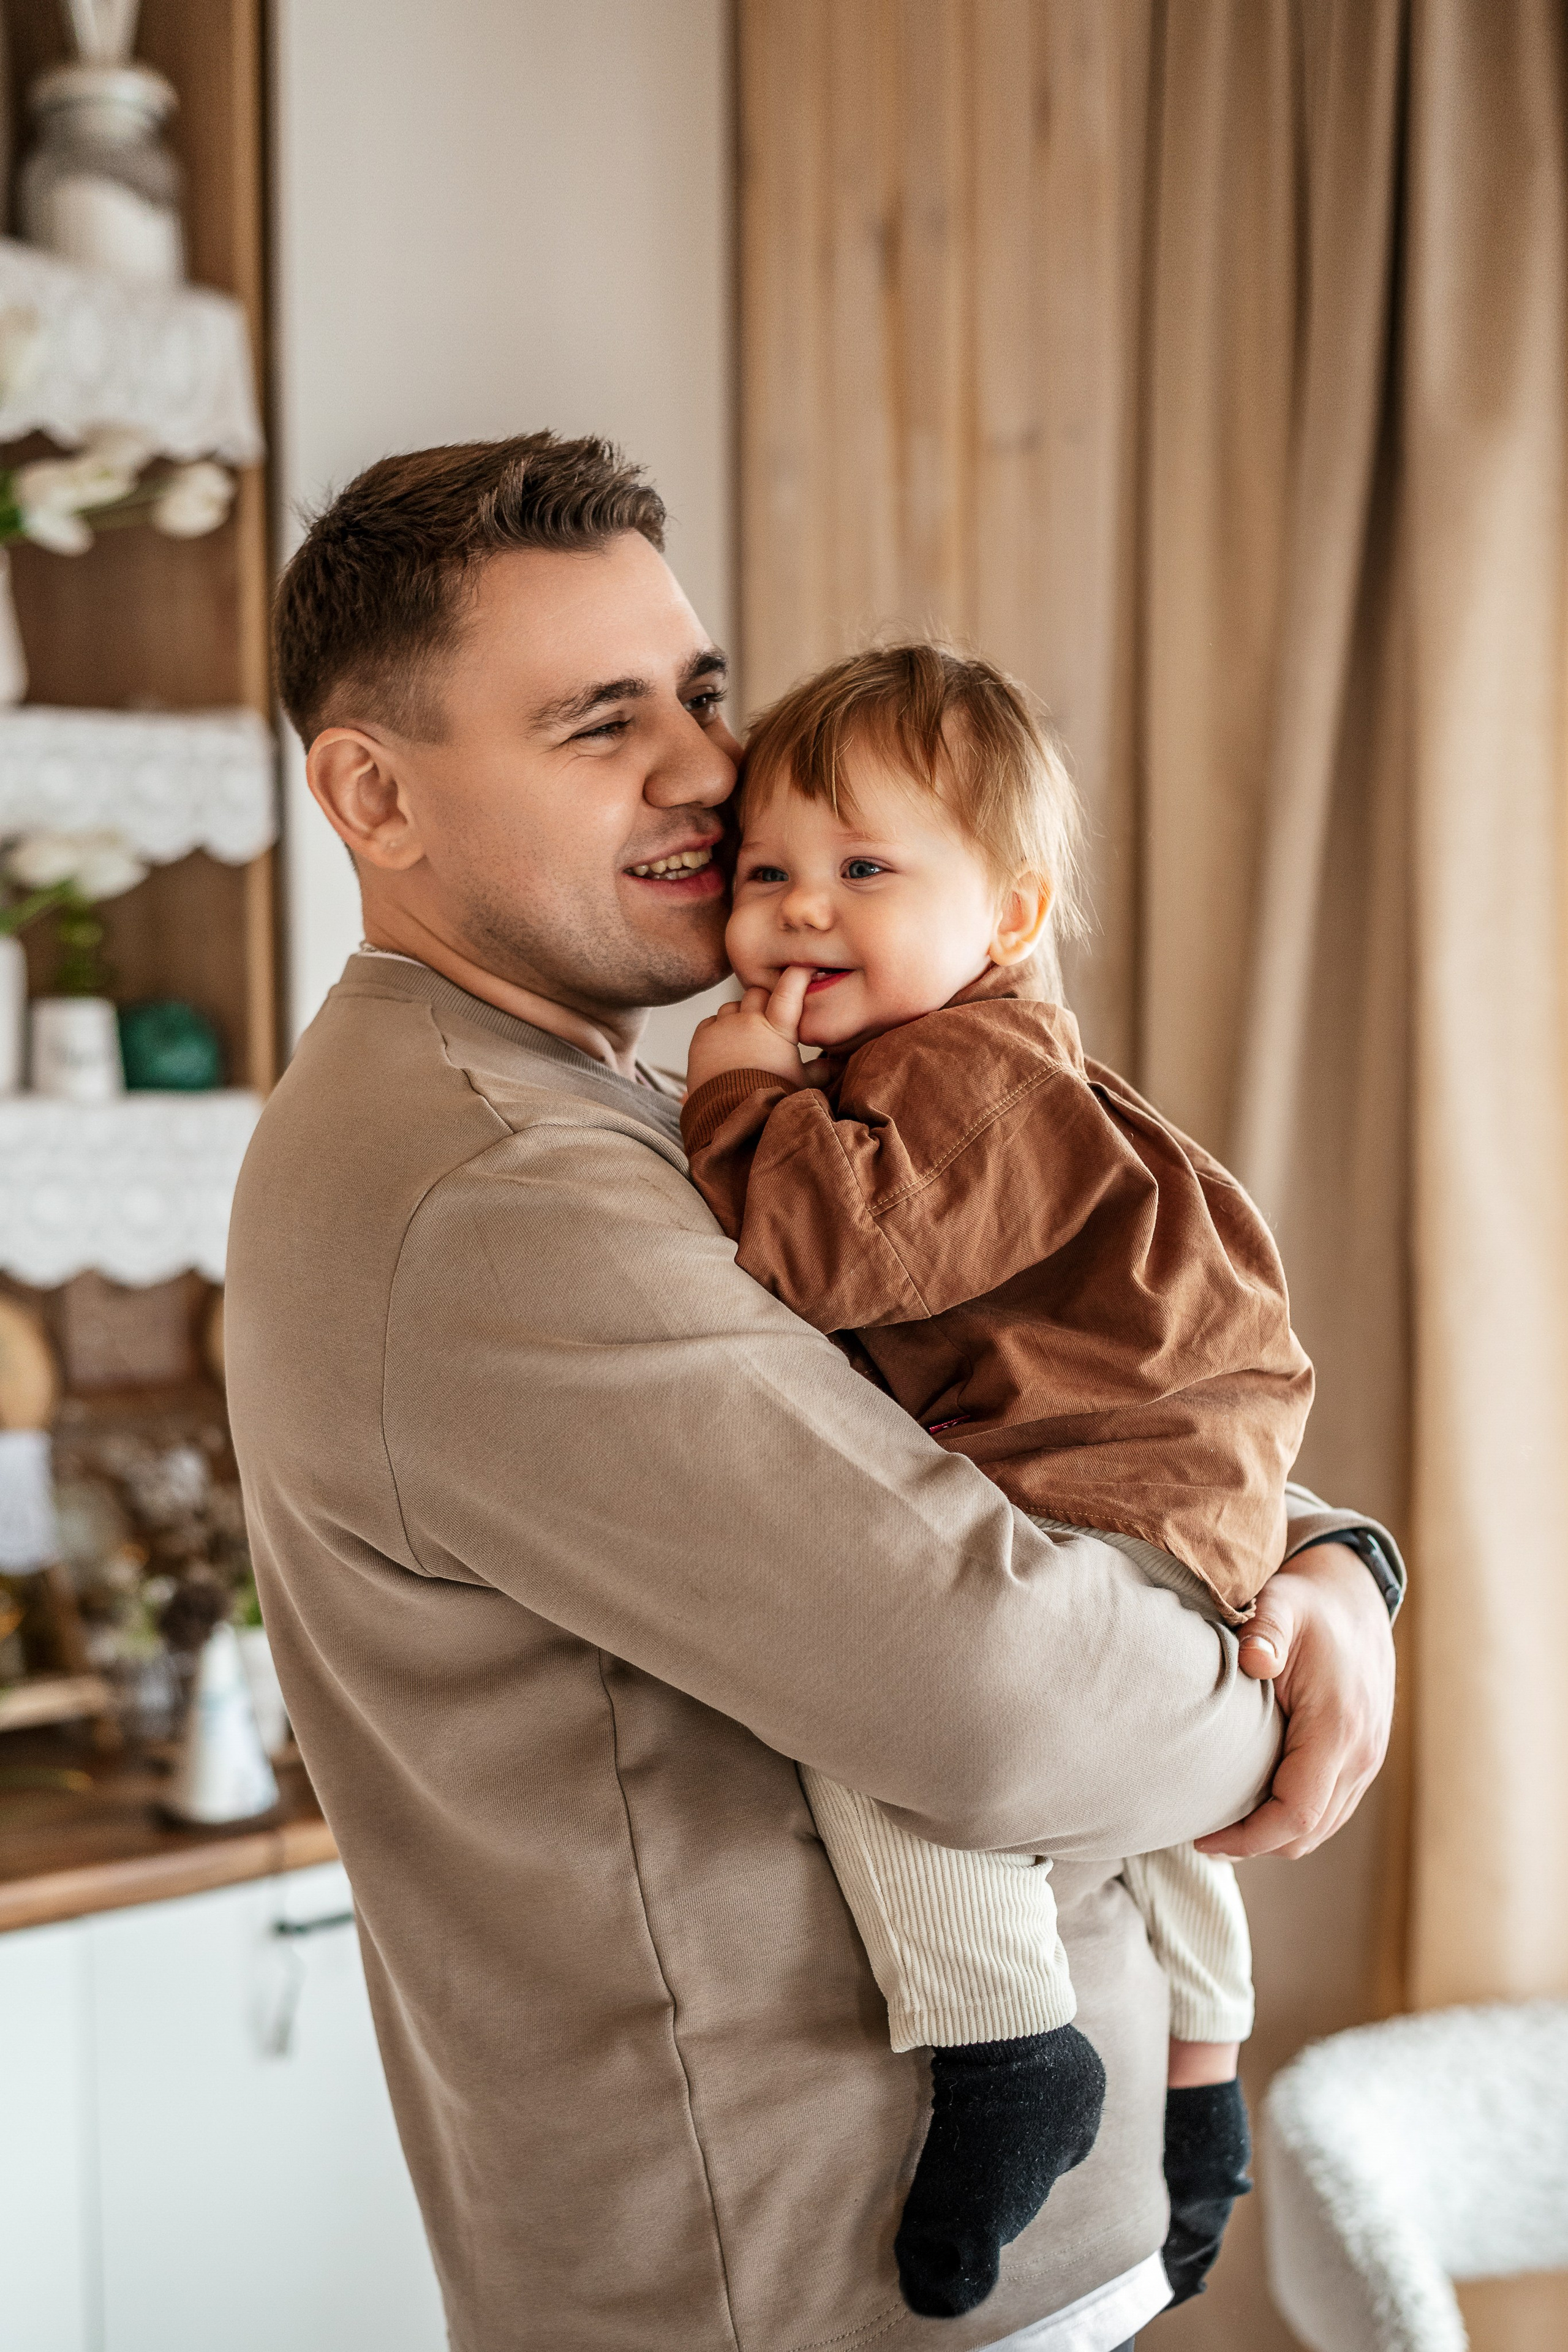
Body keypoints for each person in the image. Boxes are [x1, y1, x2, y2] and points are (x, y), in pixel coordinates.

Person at [225, 433, 1403, 2352]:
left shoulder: (609, 1110)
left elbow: (990, 1408)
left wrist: (1333, 1563)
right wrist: (1275, 1693)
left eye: (698, 696)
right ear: (376, 795)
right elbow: (1004, 1702)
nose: (706, 771)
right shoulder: (495, 1191)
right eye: (601, 724)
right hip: (795, 2282)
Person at [680, 640, 1316, 2321]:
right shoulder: (986, 1063)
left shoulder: (952, 1071)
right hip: (1176, 1499)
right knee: (1168, 1811)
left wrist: (736, 1099)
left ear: (1010, 920)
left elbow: (825, 1249)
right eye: (768, 875)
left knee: (891, 1736)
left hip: (1099, 1490)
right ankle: (1202, 2070)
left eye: (865, 870)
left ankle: (1004, 2043)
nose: (803, 912)